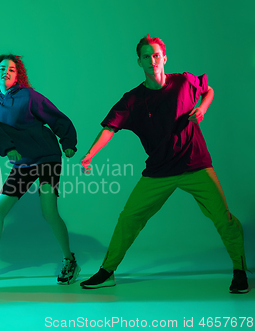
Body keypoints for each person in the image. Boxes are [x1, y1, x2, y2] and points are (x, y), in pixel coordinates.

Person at [79, 35, 248, 294]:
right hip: (159, 172)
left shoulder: (183, 82)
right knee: (129, 218)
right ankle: (107, 271)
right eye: (146, 56)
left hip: (195, 165)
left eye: (156, 55)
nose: (152, 60)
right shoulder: (133, 99)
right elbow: (109, 128)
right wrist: (91, 153)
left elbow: (208, 90)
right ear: (139, 62)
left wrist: (202, 108)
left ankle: (239, 270)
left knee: (223, 219)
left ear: (164, 58)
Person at [0, 54, 81, 285]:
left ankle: (70, 261)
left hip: (47, 157)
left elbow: (56, 116)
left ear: (18, 75)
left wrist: (68, 142)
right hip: (24, 163)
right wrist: (8, 149)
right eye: (2, 68)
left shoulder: (28, 96)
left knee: (49, 211)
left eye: (12, 69)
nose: (6, 72)